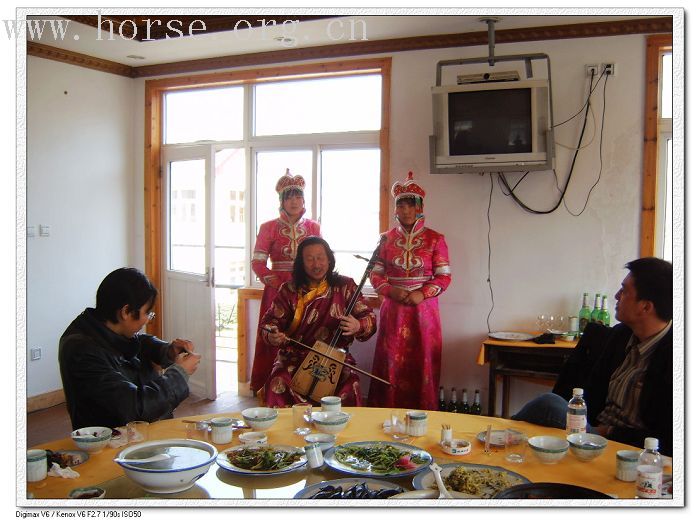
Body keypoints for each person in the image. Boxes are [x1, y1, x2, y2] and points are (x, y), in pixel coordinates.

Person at [512, 257, 673, 455]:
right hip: (593, 431)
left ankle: (501, 442)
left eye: (624, 291)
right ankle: (506, 444)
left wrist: (608, 431)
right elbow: (591, 392)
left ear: (645, 307)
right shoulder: (621, 336)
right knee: (550, 408)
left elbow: (669, 438)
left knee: (548, 405)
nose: (616, 295)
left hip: (632, 448)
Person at [58, 267, 201, 430]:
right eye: (147, 313)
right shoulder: (81, 351)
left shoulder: (103, 328)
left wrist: (167, 350)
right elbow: (136, 409)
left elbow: (138, 343)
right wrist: (179, 374)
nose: (147, 320)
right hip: (111, 444)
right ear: (126, 311)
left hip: (139, 438)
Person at [367, 171, 452, 411]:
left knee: (422, 362)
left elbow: (444, 276)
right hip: (393, 309)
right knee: (391, 361)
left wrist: (422, 294)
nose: (405, 210)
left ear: (419, 207)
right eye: (400, 205)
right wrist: (389, 291)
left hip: (423, 311)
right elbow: (375, 273)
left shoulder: (436, 239)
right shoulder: (386, 239)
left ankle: (423, 414)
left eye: (410, 205)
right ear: (395, 209)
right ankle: (387, 413)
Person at [260, 236, 376, 407]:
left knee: (349, 385)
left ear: (329, 259)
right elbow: (269, 323)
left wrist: (358, 325)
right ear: (301, 263)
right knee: (279, 382)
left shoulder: (345, 286)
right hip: (295, 357)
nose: (316, 264)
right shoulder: (289, 290)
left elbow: (368, 317)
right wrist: (273, 335)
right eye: (310, 259)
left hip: (334, 357)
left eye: (321, 258)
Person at [250, 169, 321, 397]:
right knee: (274, 336)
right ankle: (269, 387)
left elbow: (320, 258)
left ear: (303, 200)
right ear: (281, 200)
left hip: (308, 290)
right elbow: (258, 262)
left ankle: (306, 388)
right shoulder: (268, 227)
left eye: (297, 196)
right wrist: (276, 281)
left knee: (306, 336)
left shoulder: (313, 227)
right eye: (288, 197)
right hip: (278, 292)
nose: (293, 201)